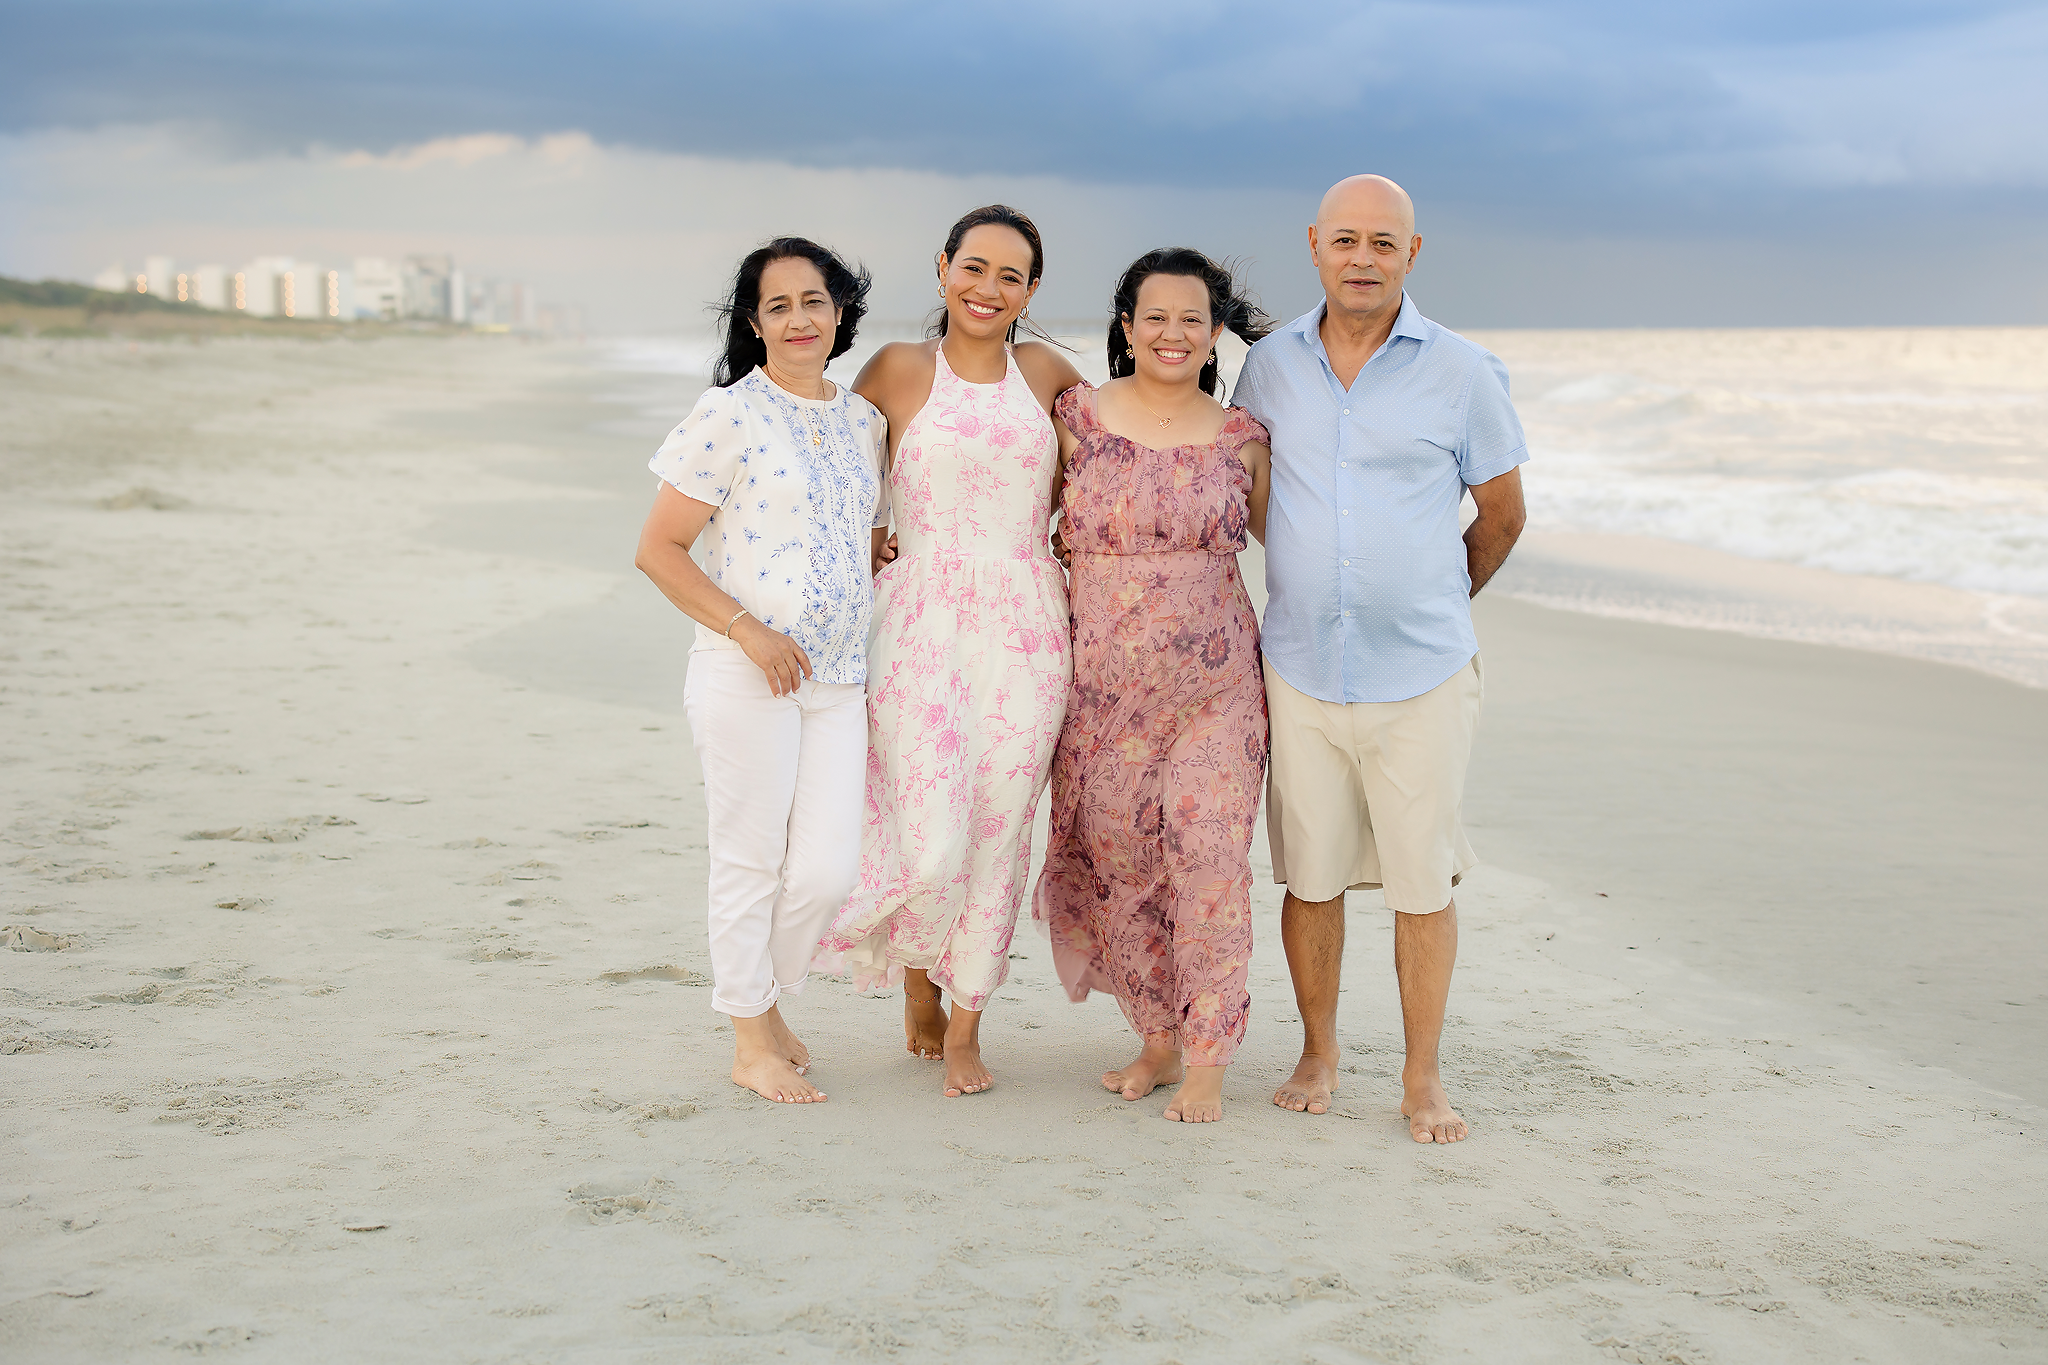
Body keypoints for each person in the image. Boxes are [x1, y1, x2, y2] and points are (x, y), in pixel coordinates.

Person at [1231, 175, 1528, 1144]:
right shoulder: (1267, 367)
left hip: (1422, 676)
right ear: (1314, 243)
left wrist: (1430, 601)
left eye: (1383, 244)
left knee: (1417, 881)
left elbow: (1500, 514)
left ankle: (1420, 1077)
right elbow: (1246, 492)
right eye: (1346, 240)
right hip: (1300, 665)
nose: (1362, 258)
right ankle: (1316, 1052)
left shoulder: (1462, 371)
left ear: (1412, 254)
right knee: (1307, 876)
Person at [817, 205, 1084, 1099]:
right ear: (942, 269)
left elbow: (1102, 487)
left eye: (1011, 276)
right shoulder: (895, 369)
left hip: (1027, 625)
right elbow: (831, 481)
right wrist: (870, 536)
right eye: (974, 268)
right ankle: (919, 968)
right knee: (931, 832)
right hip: (918, 618)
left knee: (1000, 828)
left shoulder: (1048, 374)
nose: (988, 289)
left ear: (1032, 291)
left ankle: (968, 1016)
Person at [634, 237, 888, 1105]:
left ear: (841, 311)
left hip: (839, 678)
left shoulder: (862, 422)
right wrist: (749, 630)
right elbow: (658, 551)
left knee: (827, 871)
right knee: (748, 860)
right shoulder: (728, 414)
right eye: (777, 306)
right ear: (754, 323)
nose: (798, 319)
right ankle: (751, 1035)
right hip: (747, 675)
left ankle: (767, 1000)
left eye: (813, 301)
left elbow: (861, 537)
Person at [1032, 248, 1273, 1123]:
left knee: (1209, 864)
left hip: (1217, 694)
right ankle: (1158, 1039)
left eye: (1193, 319)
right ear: (1127, 326)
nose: (1174, 333)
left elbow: (1293, 550)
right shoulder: (1076, 421)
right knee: (1125, 871)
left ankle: (1210, 1055)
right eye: (1155, 316)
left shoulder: (1243, 437)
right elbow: (1013, 520)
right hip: (1100, 698)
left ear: (1215, 334)